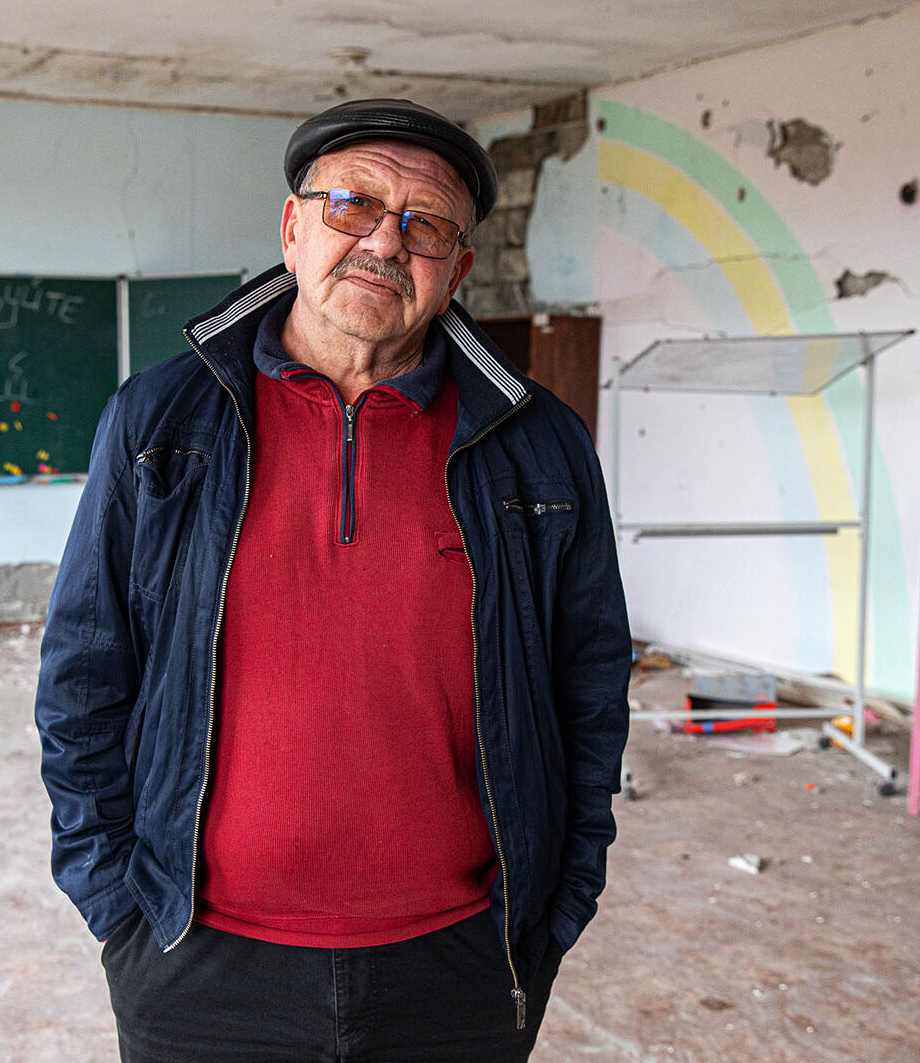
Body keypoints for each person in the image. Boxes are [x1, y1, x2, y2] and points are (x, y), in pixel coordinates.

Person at [35, 97, 630, 1063]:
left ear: (458, 269)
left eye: (424, 225)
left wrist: (557, 908)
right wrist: (115, 908)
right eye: (352, 205)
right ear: (293, 226)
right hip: (196, 961)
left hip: (461, 965)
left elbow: (590, 688)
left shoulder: (539, 445)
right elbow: (84, 673)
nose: (385, 244)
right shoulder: (160, 419)